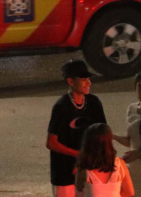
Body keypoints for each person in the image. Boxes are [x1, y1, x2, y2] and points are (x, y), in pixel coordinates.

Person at [46, 60, 107, 197]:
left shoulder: (94, 103)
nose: (89, 83)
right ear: (71, 82)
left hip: (89, 170)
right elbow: (51, 142)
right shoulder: (61, 107)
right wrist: (79, 154)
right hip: (65, 173)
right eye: (84, 79)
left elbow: (103, 134)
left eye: (89, 79)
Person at [75, 123, 135, 197]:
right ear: (109, 142)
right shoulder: (120, 164)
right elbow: (129, 193)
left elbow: (79, 191)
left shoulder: (83, 166)